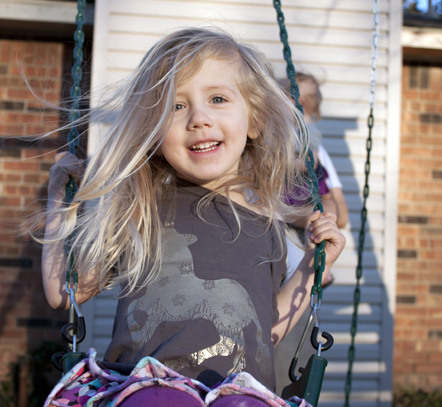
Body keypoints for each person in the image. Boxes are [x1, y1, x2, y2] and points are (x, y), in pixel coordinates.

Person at [39, 28, 345, 407]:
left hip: (238, 394)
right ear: (153, 131)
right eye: (176, 106)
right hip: (149, 390)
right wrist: (59, 198)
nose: (199, 118)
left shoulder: (267, 222)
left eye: (218, 99)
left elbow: (264, 331)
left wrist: (313, 267)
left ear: (254, 120)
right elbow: (64, 291)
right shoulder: (142, 208)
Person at [274, 73, 349, 395]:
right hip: (274, 249)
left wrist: (319, 214)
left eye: (301, 103)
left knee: (288, 362)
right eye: (287, 100)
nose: (294, 108)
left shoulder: (315, 149)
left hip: (298, 259)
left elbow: (338, 212)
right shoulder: (265, 142)